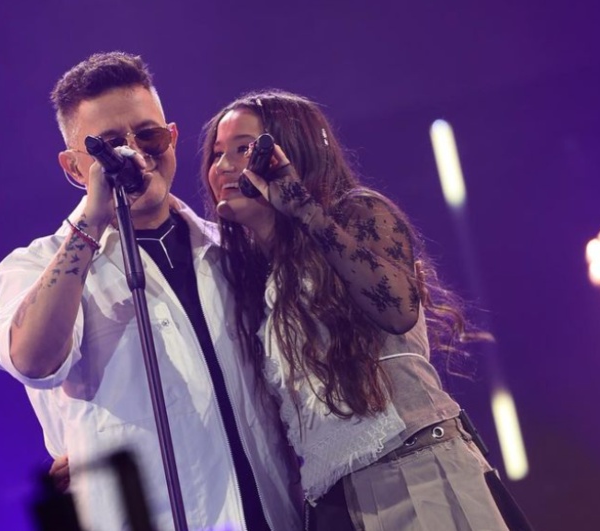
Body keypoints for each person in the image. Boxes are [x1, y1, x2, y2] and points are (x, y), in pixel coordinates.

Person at [0, 53, 301, 531]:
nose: (136, 153)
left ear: (172, 136)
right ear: (74, 168)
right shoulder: (33, 265)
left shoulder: (233, 249)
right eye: (109, 146)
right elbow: (32, 359)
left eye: (148, 135)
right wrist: (93, 218)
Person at [201, 90, 511, 530]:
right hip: (333, 503)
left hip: (412, 467)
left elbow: (398, 310)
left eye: (244, 149)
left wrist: (301, 207)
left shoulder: (355, 214)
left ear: (291, 151)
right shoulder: (256, 278)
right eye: (217, 154)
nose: (225, 166)